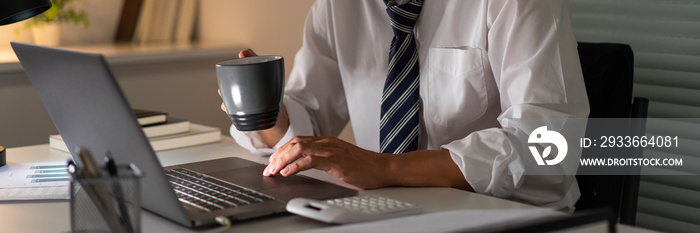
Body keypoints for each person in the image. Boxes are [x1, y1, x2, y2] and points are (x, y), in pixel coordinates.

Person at [221, 0, 589, 213]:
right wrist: (264, 112)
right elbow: (309, 125)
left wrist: (386, 167)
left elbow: (547, 146)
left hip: (507, 218)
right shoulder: (338, 7)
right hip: (387, 214)